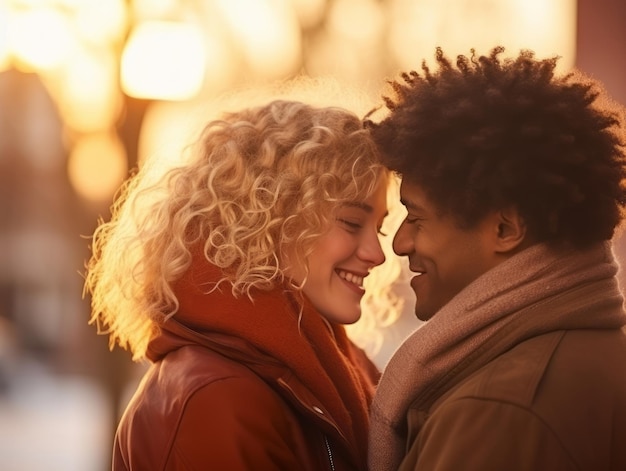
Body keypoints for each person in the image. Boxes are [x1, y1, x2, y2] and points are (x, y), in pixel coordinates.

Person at [84, 99, 392, 470]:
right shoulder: (219, 400)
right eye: (352, 223)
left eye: (380, 228)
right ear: (275, 218)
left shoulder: (333, 373)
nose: (378, 254)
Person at [365, 46, 626, 471]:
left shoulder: (500, 409)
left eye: (416, 218)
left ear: (505, 230)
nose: (398, 244)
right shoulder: (593, 355)